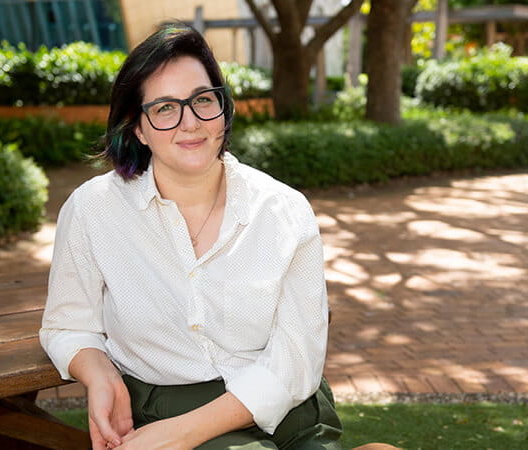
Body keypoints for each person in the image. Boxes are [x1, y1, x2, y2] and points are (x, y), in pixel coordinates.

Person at [40, 24, 342, 450]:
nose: (191, 123)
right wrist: (98, 371)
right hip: (167, 407)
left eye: (203, 100)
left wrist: (180, 434)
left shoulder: (283, 210)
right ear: (137, 127)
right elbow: (66, 325)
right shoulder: (93, 211)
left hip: (292, 413)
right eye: (165, 108)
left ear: (222, 108)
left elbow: (298, 357)